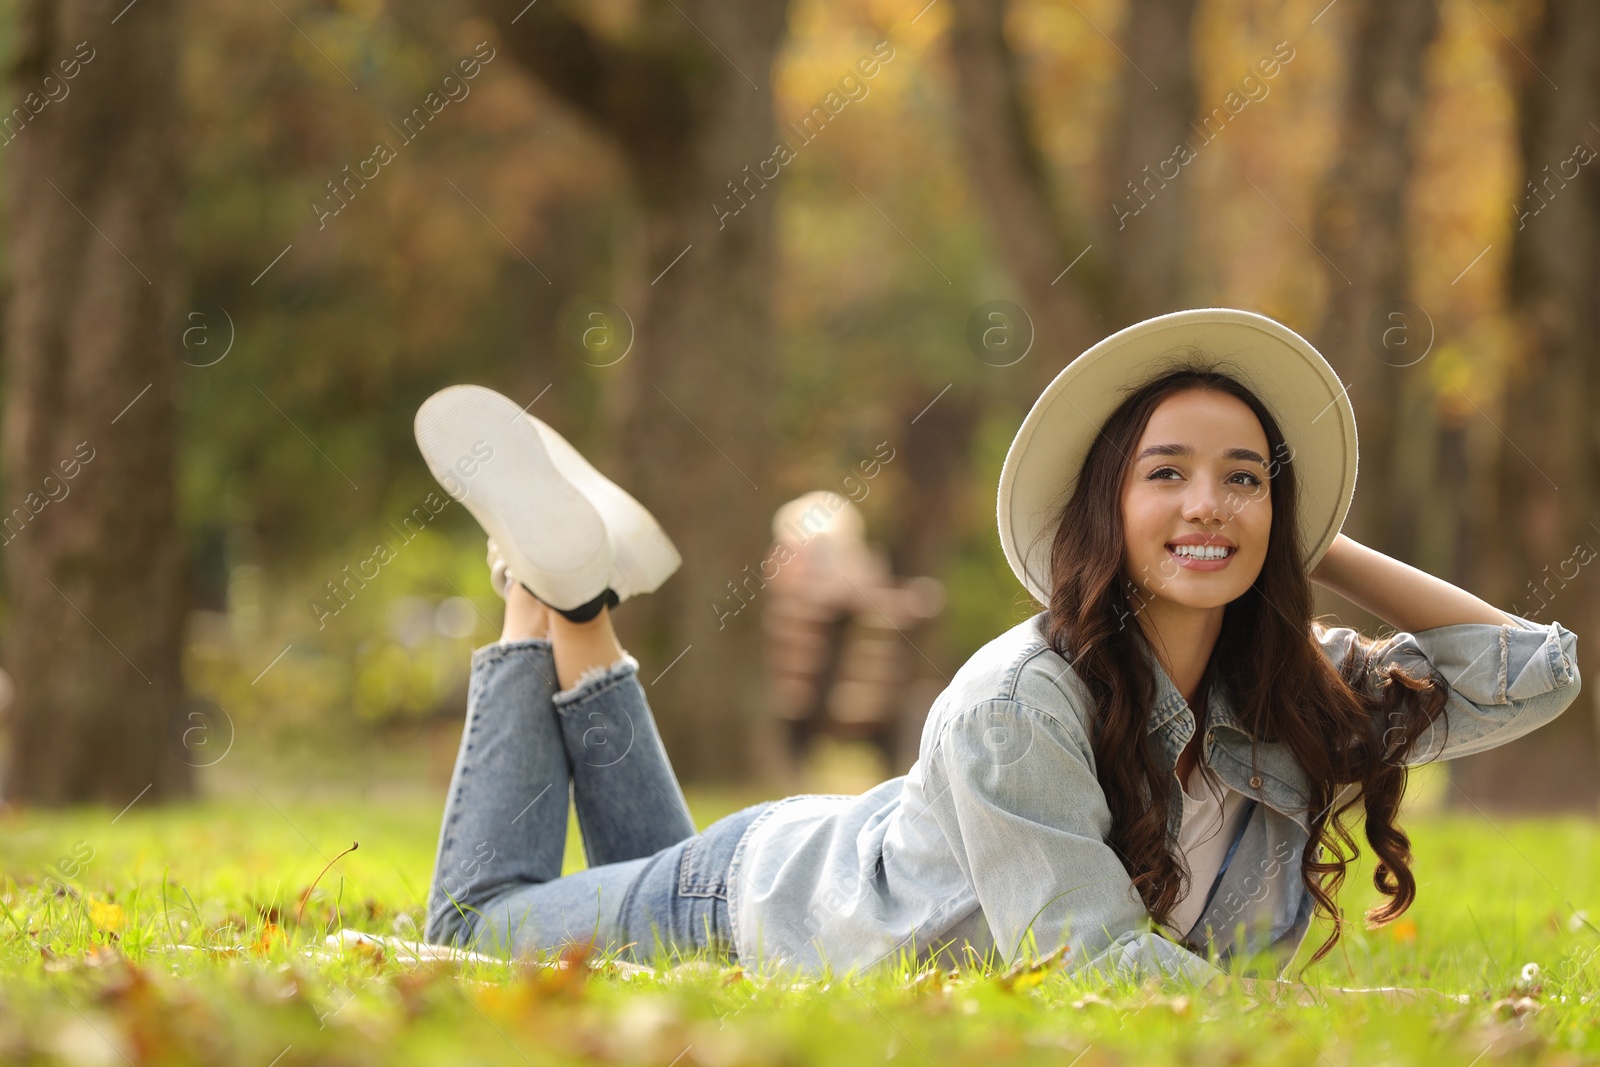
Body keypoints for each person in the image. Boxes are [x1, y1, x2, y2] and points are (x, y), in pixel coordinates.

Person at [416, 307, 1581, 992]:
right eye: (1165, 473)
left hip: (778, 867)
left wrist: (1319, 538)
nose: (1208, 506)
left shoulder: (1280, 688)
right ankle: (540, 598)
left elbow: (1532, 674)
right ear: (1103, 510)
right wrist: (1331, 1039)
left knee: (626, 900)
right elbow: (1090, 958)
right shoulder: (1018, 698)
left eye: (1245, 481)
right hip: (753, 895)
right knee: (471, 930)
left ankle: (577, 605)